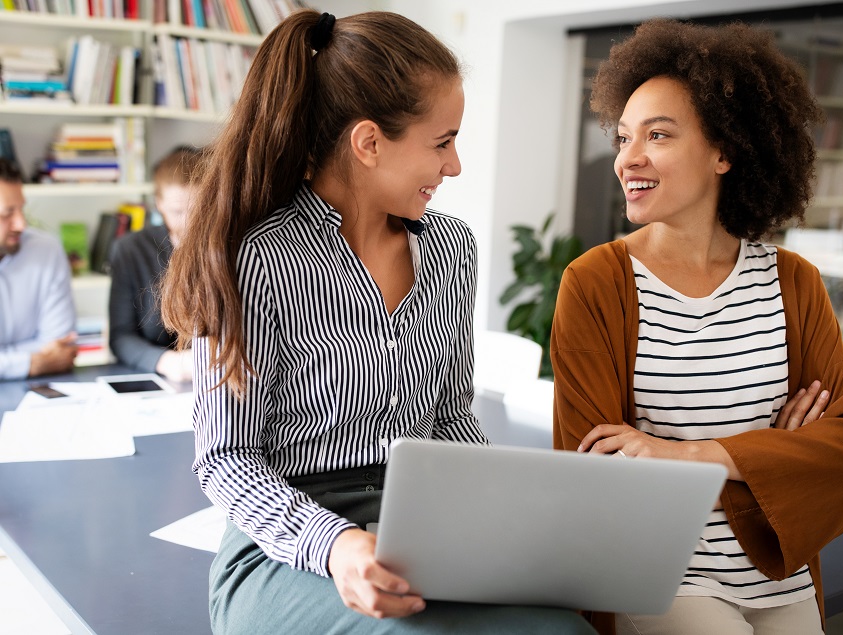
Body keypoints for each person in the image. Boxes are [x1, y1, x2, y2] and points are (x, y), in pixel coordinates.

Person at [160, 10, 595, 635]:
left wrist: (505, 513)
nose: (455, 166)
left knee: (565, 629)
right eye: (442, 142)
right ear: (369, 143)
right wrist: (338, 546)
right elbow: (227, 460)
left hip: (423, 521)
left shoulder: (451, 248)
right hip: (293, 541)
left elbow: (449, 416)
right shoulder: (254, 258)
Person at [550, 19, 843, 635]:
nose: (627, 158)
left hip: (781, 570)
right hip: (660, 572)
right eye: (624, 138)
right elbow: (595, 469)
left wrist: (683, 453)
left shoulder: (793, 281)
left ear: (725, 151)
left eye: (659, 135)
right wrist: (775, 452)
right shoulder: (597, 284)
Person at [108, 145, 200, 381]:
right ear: (159, 204)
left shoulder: (235, 247)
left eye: (198, 210)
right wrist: (168, 363)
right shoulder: (130, 250)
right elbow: (120, 336)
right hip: (158, 379)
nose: (190, 223)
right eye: (178, 212)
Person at [0, 158, 77, 380]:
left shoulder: (46, 250)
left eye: (21, 209)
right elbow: (47, 355)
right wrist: (31, 362)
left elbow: (60, 346)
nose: (21, 224)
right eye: (7, 213)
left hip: (37, 391)